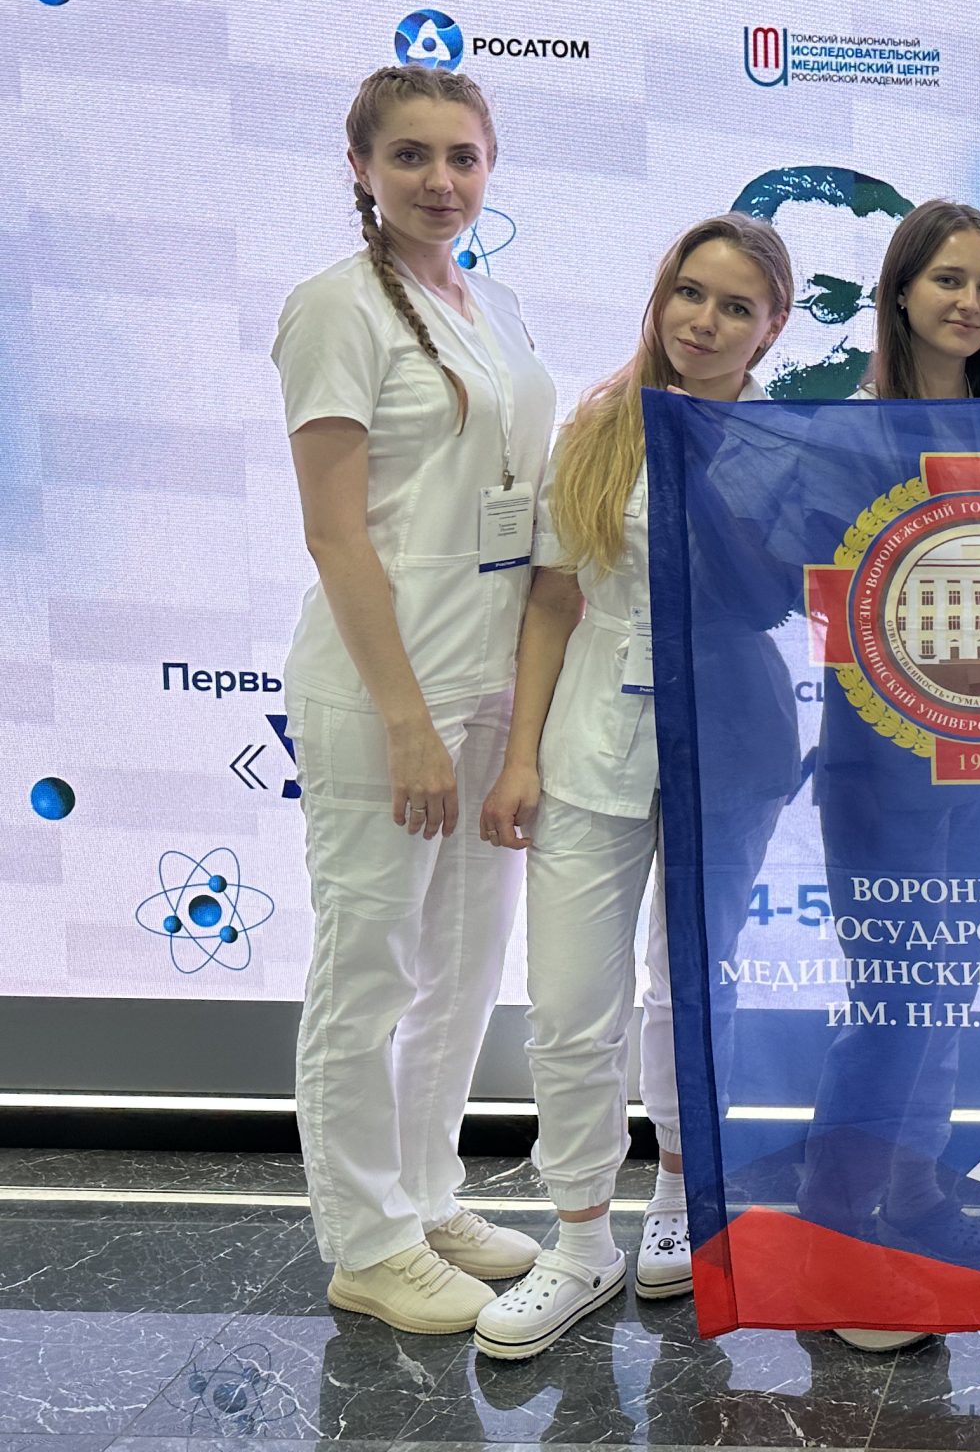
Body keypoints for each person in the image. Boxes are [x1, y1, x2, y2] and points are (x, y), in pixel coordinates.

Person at [468, 214, 798, 1360]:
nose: (704, 320)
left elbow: (781, 597)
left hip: (732, 736)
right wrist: (519, 755)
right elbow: (553, 598)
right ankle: (577, 1241)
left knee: (691, 989)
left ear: (771, 329)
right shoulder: (600, 423)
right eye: (689, 293)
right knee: (569, 1000)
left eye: (735, 306)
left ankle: (678, 1199)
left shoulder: (784, 443)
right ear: (661, 297)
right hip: (589, 737)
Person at [275, 66, 554, 1333]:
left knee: (461, 966)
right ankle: (367, 1239)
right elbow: (336, 535)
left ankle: (428, 1194)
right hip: (385, 694)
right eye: (410, 157)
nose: (440, 182)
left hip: (489, 683)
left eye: (462, 157)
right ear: (361, 168)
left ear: (490, 166)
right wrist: (405, 723)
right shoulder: (334, 309)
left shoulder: (492, 305)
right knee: (370, 967)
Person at [803, 199, 980, 1353]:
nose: (969, 303)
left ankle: (913, 1189)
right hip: (882, 762)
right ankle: (832, 1242)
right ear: (898, 291)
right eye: (948, 279)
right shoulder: (849, 431)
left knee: (945, 992)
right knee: (895, 997)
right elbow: (824, 592)